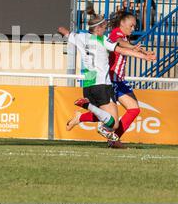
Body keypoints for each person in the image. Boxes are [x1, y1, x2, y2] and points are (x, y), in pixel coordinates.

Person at [62, 11, 156, 147]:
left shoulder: (122, 37)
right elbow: (118, 43)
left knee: (128, 110)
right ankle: (114, 139)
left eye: (135, 26)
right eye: (131, 25)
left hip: (119, 79)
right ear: (122, 23)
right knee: (122, 112)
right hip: (112, 79)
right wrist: (136, 49)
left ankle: (87, 122)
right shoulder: (116, 34)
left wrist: (142, 51)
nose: (133, 29)